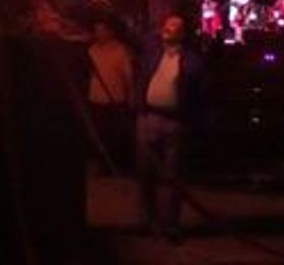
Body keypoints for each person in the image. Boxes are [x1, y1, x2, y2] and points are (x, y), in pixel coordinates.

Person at [135, 14, 206, 243]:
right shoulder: (152, 55)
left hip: (175, 123)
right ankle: (148, 222)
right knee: (146, 174)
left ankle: (171, 225)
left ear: (183, 34)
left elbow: (201, 94)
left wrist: (195, 121)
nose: (168, 29)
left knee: (172, 176)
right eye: (167, 25)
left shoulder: (193, 62)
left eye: (174, 26)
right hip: (149, 120)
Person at [88, 17, 134, 173]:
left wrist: (131, 96)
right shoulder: (91, 50)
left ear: (110, 32)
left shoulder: (120, 50)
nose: (97, 33)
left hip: (114, 100)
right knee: (99, 135)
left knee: (113, 136)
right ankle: (102, 165)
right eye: (96, 29)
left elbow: (128, 76)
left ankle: (114, 166)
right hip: (95, 100)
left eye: (101, 29)